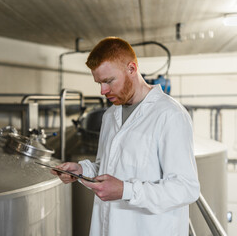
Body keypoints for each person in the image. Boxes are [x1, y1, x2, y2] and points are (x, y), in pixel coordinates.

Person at [52, 37, 200, 236]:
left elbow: (186, 188)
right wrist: (81, 170)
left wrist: (125, 190)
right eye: (99, 83)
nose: (103, 91)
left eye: (108, 81)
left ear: (131, 68)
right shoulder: (110, 115)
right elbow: (107, 166)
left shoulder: (170, 115)